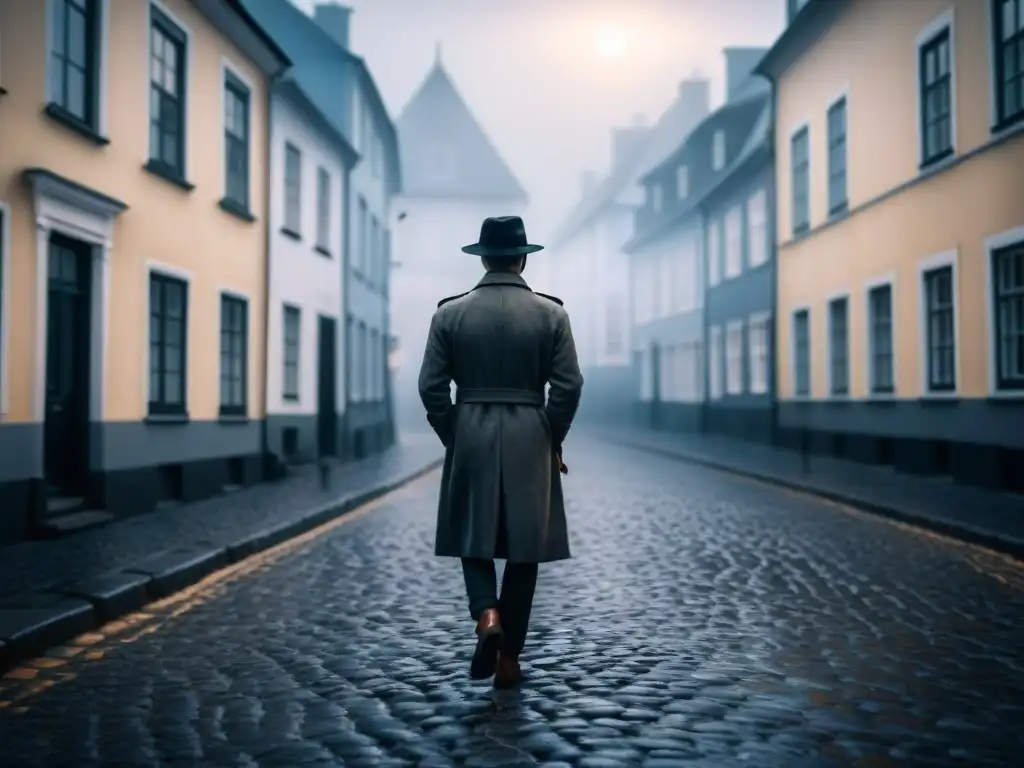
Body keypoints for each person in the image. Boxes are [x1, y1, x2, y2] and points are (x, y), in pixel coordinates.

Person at [418, 215, 584, 689]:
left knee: (472, 534)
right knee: (524, 548)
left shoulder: (449, 313)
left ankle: (486, 615)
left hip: (469, 425)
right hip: (531, 432)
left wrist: (453, 431)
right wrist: (551, 435)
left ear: (484, 258)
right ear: (522, 257)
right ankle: (509, 657)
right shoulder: (552, 314)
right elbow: (569, 386)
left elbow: (430, 385)